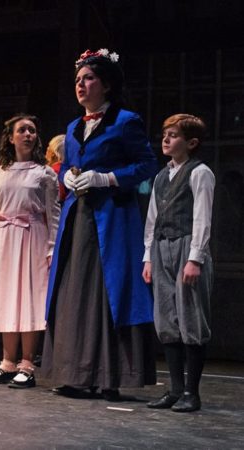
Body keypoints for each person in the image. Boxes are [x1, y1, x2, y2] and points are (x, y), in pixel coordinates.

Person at [42, 49, 159, 401]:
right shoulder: (73, 127)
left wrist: (106, 178)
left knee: (108, 290)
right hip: (78, 218)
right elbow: (67, 166)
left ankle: (109, 375)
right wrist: (70, 176)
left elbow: (146, 166)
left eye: (88, 78)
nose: (81, 85)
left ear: (106, 85)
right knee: (75, 289)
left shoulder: (125, 121)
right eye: (77, 80)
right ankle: (73, 372)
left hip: (112, 219)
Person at [0, 115, 60, 388]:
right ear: (10, 137)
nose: (27, 134)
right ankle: (7, 362)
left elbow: (54, 215)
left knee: (28, 299)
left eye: (32, 131)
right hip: (4, 240)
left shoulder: (44, 172)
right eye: (21, 130)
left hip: (32, 238)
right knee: (7, 298)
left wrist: (52, 248)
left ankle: (27, 363)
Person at [143, 114, 214, 413]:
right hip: (162, 248)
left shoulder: (200, 173)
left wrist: (195, 258)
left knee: (191, 320)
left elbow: (202, 217)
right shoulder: (161, 176)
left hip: (187, 247)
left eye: (173, 135)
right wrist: (148, 256)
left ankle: (191, 392)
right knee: (167, 320)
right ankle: (174, 390)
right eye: (165, 134)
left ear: (191, 142)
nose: (166, 139)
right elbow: (152, 219)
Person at [45, 134, 67, 202]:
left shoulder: (53, 171)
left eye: (49, 146)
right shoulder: (71, 170)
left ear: (52, 153)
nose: (47, 149)